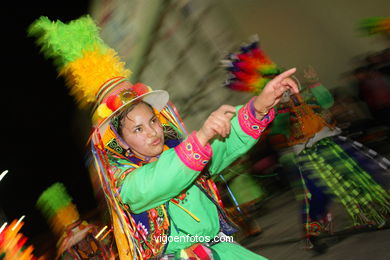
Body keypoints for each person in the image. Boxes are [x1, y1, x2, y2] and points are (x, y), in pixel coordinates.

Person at [29, 15, 299, 259]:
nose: (152, 132)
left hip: (223, 252)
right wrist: (201, 136)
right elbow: (160, 179)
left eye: (152, 121)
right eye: (137, 129)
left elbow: (222, 144)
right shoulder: (127, 183)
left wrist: (261, 104)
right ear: (119, 141)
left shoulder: (179, 152)